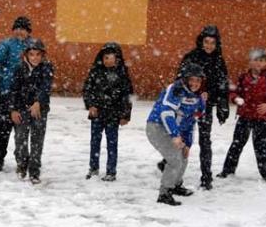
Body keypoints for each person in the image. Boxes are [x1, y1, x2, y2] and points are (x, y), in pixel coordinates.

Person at [169, 25, 229, 190]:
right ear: (201, 42)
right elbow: (180, 79)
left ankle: (206, 177)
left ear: (217, 44)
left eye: (212, 43)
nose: (209, 45)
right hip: (186, 106)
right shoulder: (191, 57)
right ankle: (169, 164)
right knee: (180, 138)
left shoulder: (219, 60)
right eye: (206, 42)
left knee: (205, 140)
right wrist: (185, 96)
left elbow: (222, 85)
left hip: (206, 106)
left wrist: (222, 104)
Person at [145, 63, 206, 206]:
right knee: (174, 159)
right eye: (192, 79)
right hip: (157, 127)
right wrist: (175, 136)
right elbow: (166, 113)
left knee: (183, 157)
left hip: (177, 130)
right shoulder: (175, 89)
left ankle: (176, 185)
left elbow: (191, 121)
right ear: (185, 79)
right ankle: (164, 193)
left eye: (198, 80)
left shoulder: (198, 98)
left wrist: (187, 144)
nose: (195, 83)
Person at [218, 48, 266, 182]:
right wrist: (236, 98)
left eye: (261, 60)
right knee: (237, 144)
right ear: (250, 62)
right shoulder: (243, 77)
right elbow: (233, 92)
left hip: (262, 118)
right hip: (245, 117)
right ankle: (228, 170)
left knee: (262, 147)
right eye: (255, 60)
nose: (258, 63)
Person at [82, 42, 134, 181]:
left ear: (117, 59)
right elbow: (87, 90)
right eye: (106, 58)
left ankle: (111, 171)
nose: (108, 61)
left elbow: (127, 97)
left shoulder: (123, 75)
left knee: (112, 143)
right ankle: (93, 168)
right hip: (97, 113)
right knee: (95, 142)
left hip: (114, 115)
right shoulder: (95, 72)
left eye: (111, 58)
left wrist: (125, 115)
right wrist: (90, 105)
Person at [9, 38, 54, 185]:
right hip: (22, 109)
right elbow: (14, 90)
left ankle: (34, 171)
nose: (35, 58)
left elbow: (45, 87)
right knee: (20, 139)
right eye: (32, 54)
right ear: (26, 55)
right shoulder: (19, 68)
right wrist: (13, 109)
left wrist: (38, 102)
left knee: (37, 142)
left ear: (43, 55)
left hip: (40, 111)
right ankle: (22, 165)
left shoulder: (47, 68)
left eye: (38, 54)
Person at [0, 16, 31, 173]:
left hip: (25, 94)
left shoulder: (32, 46)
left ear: (28, 31)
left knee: (22, 129)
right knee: (3, 128)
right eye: (17, 28)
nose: (20, 32)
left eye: (23, 29)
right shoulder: (6, 44)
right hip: (6, 91)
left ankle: (22, 161)